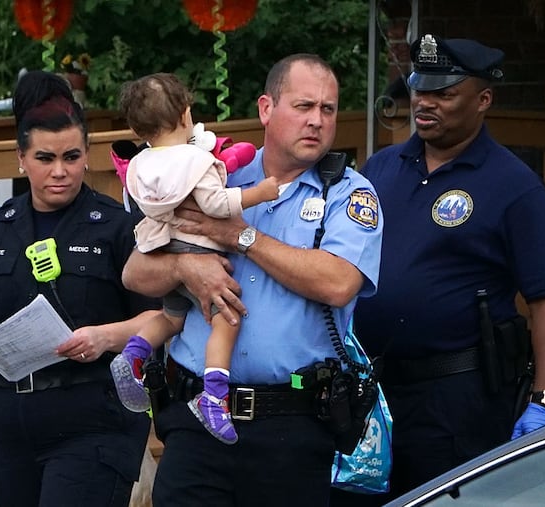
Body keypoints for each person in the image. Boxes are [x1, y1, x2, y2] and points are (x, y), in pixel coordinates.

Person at [122, 53, 383, 507]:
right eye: (303, 106)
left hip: (292, 426)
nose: (317, 121)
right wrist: (186, 267)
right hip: (196, 420)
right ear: (266, 109)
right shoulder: (214, 175)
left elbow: (339, 283)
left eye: (328, 109)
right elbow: (135, 272)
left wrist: (239, 235)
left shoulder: (349, 193)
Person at [330, 34, 545, 506]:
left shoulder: (514, 185)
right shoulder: (380, 169)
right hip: (372, 394)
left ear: (483, 100)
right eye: (421, 90)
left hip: (456, 400)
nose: (425, 103)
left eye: (444, 94)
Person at [0, 70, 160, 507]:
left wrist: (104, 337)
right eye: (45, 158)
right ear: (21, 157)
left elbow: (159, 316)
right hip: (10, 426)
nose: (60, 171)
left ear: (87, 154)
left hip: (92, 418)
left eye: (71, 157)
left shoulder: (117, 227)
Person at [109, 72, 279, 445]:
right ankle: (214, 396)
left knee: (171, 317)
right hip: (200, 250)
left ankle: (134, 353)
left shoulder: (140, 166)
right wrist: (260, 193)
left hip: (161, 250)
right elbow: (217, 204)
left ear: (138, 128)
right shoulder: (196, 161)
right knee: (228, 321)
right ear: (186, 115)